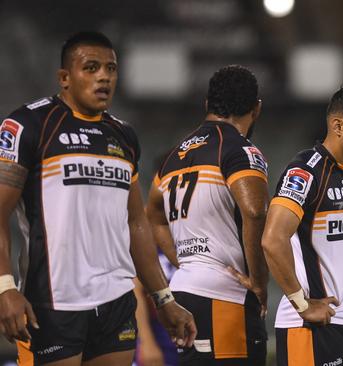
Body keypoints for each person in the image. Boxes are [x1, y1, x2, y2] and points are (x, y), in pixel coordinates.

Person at [0, 31, 196, 366]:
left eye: (110, 68)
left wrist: (163, 298)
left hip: (116, 302)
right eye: (91, 68)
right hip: (53, 303)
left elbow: (136, 222)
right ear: (65, 78)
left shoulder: (124, 135)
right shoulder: (29, 125)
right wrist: (5, 288)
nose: (104, 76)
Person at [146, 65, 269, 365]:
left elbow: (154, 215)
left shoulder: (174, 155)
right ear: (256, 109)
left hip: (184, 290)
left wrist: (183, 261)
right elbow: (254, 211)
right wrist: (258, 281)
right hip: (225, 297)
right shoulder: (241, 149)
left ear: (207, 106)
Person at [262, 83, 343, 366]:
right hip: (311, 325)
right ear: (338, 126)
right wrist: (303, 305)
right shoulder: (305, 172)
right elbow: (272, 240)